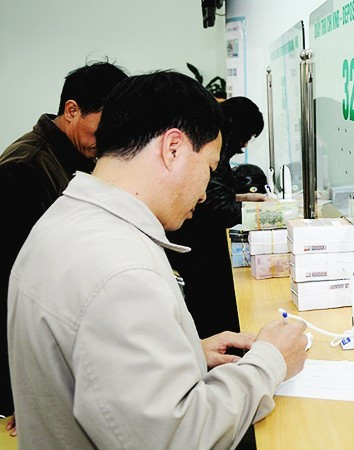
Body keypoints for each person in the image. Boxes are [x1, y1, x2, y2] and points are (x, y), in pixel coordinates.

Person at [7, 71, 308, 449]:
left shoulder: (66, 219)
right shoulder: (121, 271)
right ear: (173, 148)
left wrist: (186, 352)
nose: (203, 193)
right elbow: (178, 437)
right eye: (209, 169)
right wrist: (271, 362)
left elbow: (90, 363)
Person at [0, 61, 128, 435]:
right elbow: (15, 291)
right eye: (103, 125)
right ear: (72, 110)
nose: (108, 140)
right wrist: (24, 394)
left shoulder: (74, 160)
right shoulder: (23, 170)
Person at [167, 96, 268, 339]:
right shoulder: (214, 154)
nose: (244, 146)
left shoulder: (216, 152)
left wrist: (244, 199)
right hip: (198, 257)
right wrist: (270, 215)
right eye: (247, 137)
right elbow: (216, 207)